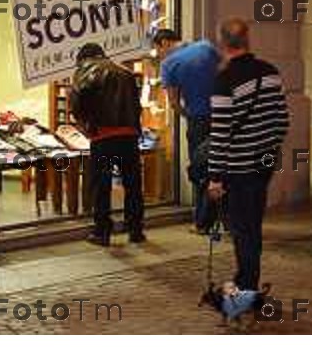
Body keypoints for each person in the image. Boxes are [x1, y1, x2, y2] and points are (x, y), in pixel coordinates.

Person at [207, 18, 289, 291]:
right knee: (253, 223)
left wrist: (215, 177)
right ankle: (247, 278)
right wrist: (268, 149)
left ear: (222, 43)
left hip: (237, 168)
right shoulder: (270, 73)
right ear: (247, 39)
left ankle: (247, 284)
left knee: (242, 229)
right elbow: (282, 121)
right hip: (263, 162)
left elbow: (220, 134)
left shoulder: (224, 80)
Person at [71, 43, 146, 245]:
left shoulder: (85, 71)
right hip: (128, 135)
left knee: (101, 186)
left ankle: (102, 232)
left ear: (83, 58)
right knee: (133, 185)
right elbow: (136, 106)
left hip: (102, 136)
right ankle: (136, 230)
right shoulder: (126, 73)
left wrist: (84, 126)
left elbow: (78, 103)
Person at [153, 29, 221, 232]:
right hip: (222, 116)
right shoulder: (206, 47)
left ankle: (202, 222)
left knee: (200, 169)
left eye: (158, 50)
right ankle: (225, 219)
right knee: (221, 166)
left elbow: (173, 103)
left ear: (164, 43)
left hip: (198, 120)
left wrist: (188, 114)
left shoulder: (169, 64)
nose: (160, 55)